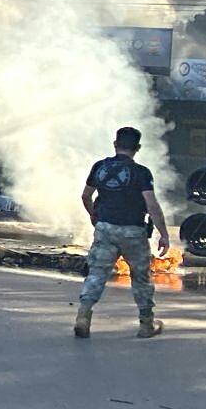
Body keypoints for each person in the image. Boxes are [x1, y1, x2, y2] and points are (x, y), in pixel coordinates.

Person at [75, 126, 169, 339]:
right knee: (141, 278)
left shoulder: (99, 167)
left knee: (97, 274)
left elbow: (85, 196)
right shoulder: (142, 173)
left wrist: (93, 216)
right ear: (138, 148)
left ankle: (83, 316)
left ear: (115, 144)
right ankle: (146, 325)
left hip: (105, 228)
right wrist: (164, 233)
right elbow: (151, 205)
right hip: (134, 232)